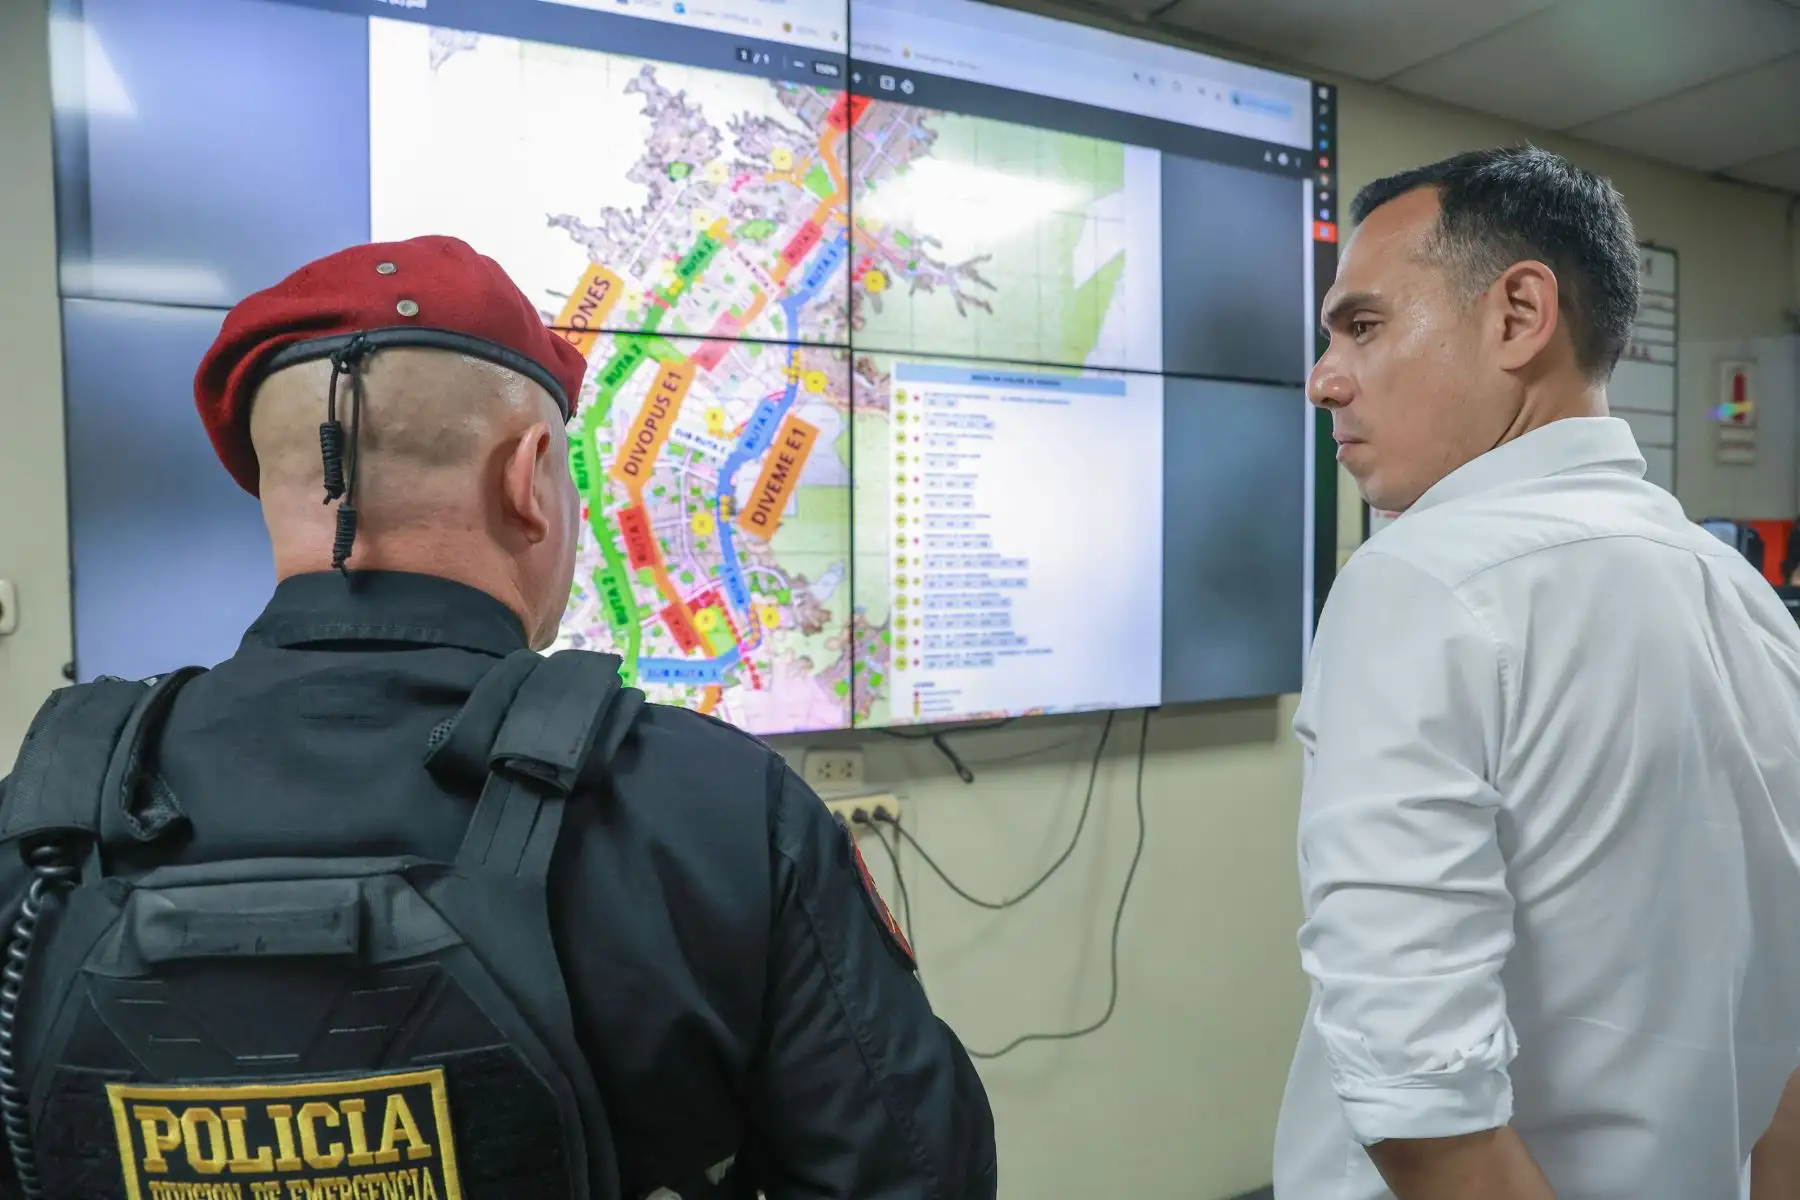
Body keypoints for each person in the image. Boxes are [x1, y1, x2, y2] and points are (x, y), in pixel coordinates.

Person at [0, 235, 997, 1200]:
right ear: (527, 478)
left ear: (275, 490)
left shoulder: (40, 826)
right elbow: (912, 1174)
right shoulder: (720, 813)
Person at [1276, 146, 1800, 1200]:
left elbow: (1418, 1099)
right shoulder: (1742, 593)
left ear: (1519, 314)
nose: (1325, 378)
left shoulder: (1420, 580)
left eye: (1363, 326)